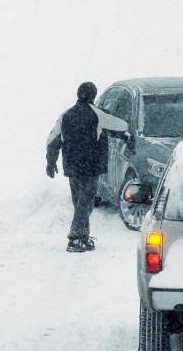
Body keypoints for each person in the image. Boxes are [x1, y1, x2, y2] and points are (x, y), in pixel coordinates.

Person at [46, 81, 128, 253]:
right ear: (93, 96)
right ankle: (75, 238)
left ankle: (83, 236)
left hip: (72, 166)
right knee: (86, 202)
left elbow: (53, 140)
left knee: (79, 201)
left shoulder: (66, 115)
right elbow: (120, 127)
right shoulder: (97, 114)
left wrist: (51, 162)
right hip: (91, 166)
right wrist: (129, 137)